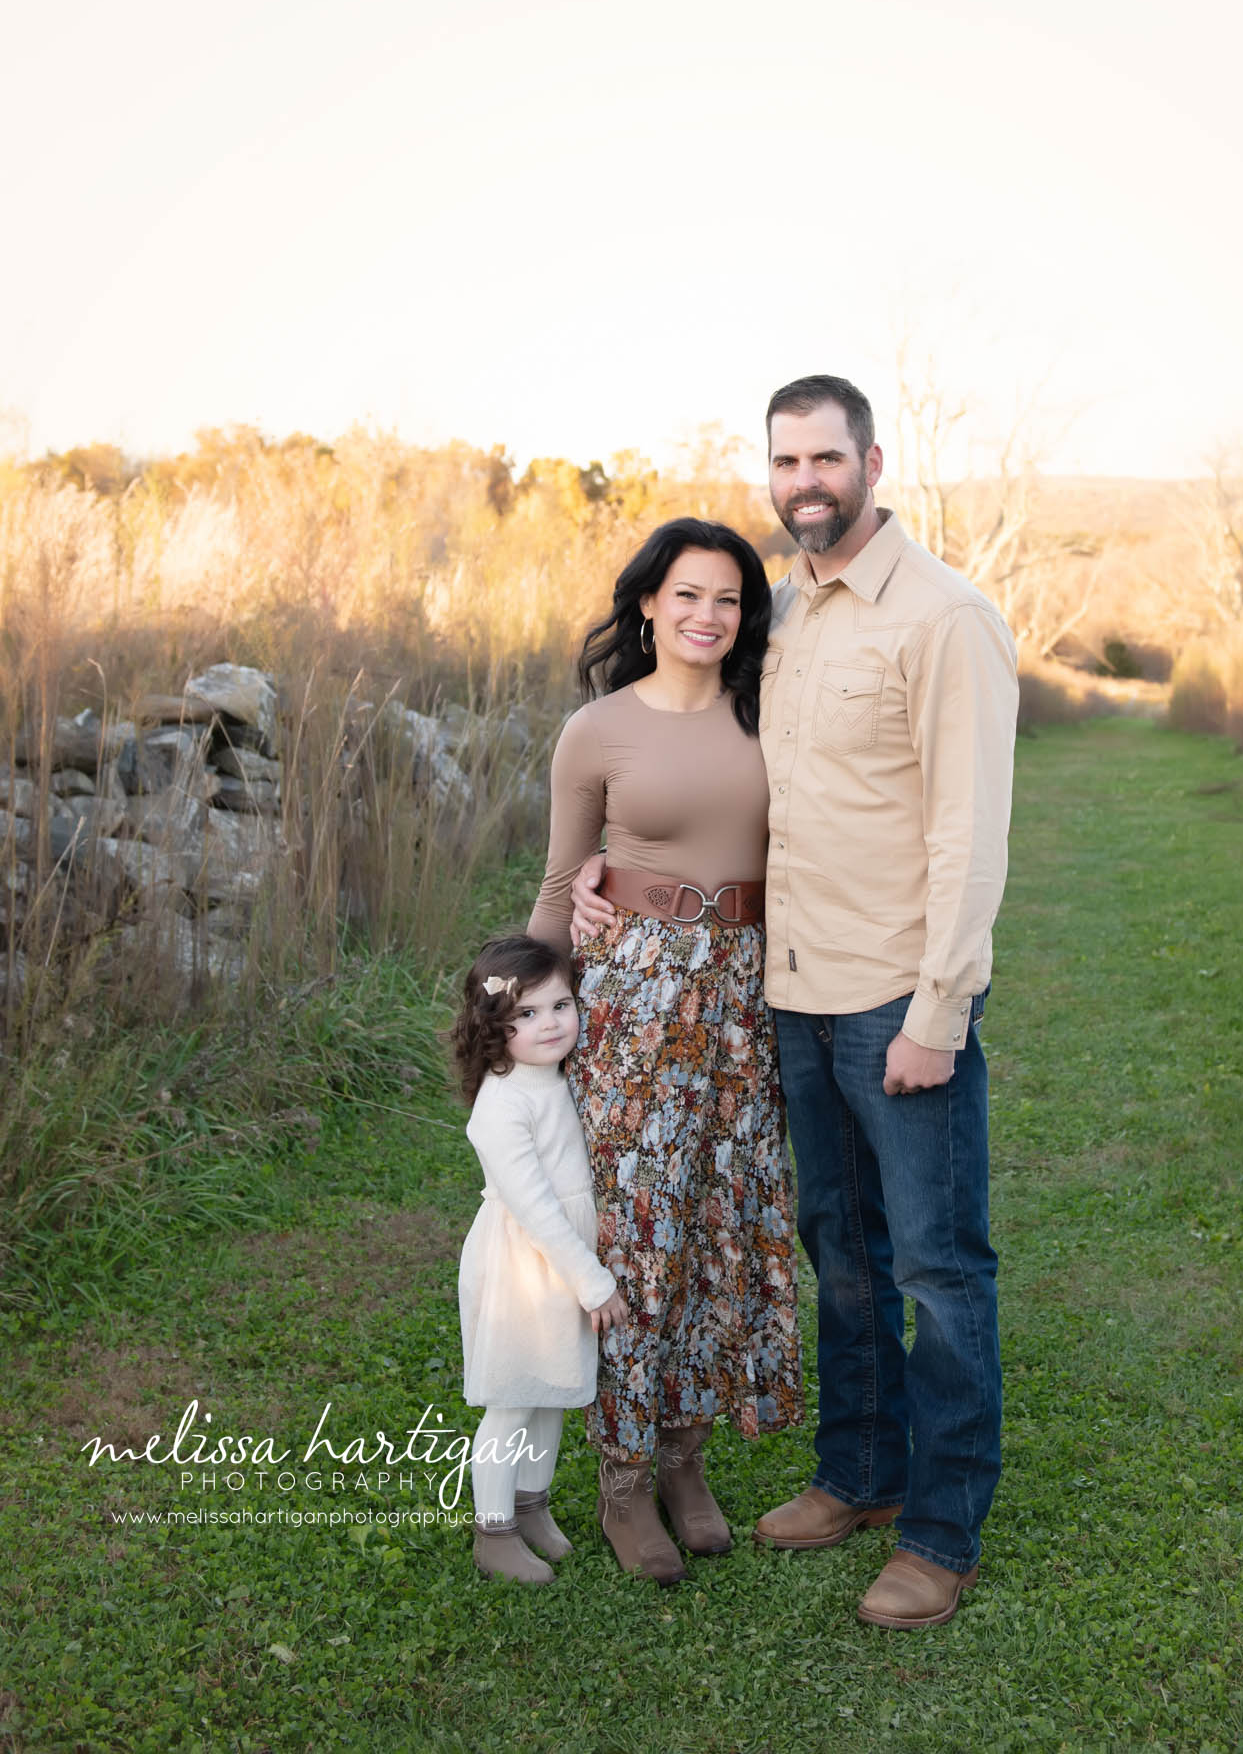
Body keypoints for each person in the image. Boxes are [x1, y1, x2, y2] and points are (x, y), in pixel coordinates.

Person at [573, 377, 1018, 1630]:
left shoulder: (945, 618)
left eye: (827, 456)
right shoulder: (784, 614)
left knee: (937, 1264)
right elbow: (709, 772)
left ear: (873, 462)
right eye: (786, 460)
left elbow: (969, 833)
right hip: (789, 991)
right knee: (842, 1250)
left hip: (895, 994)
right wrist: (613, 872)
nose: (806, 480)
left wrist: (939, 1008)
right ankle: (861, 1472)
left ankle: (941, 1529)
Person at [528, 516, 803, 1586]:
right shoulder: (597, 730)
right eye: (687, 593)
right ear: (647, 602)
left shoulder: (772, 711)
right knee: (639, 1232)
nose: (707, 615)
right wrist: (515, 1025)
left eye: (728, 598)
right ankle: (624, 1478)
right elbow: (562, 883)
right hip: (636, 999)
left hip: (749, 993)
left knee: (724, 1225)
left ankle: (688, 1458)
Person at [450, 933, 628, 1586]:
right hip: (523, 1266)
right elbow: (536, 1209)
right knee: (514, 1400)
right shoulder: (502, 1104)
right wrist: (592, 1280)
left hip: (560, 1261)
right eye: (526, 1014)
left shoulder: (555, 1078)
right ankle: (493, 1530)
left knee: (553, 1391)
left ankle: (532, 1507)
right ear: (494, 1026)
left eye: (560, 1006)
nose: (550, 1024)